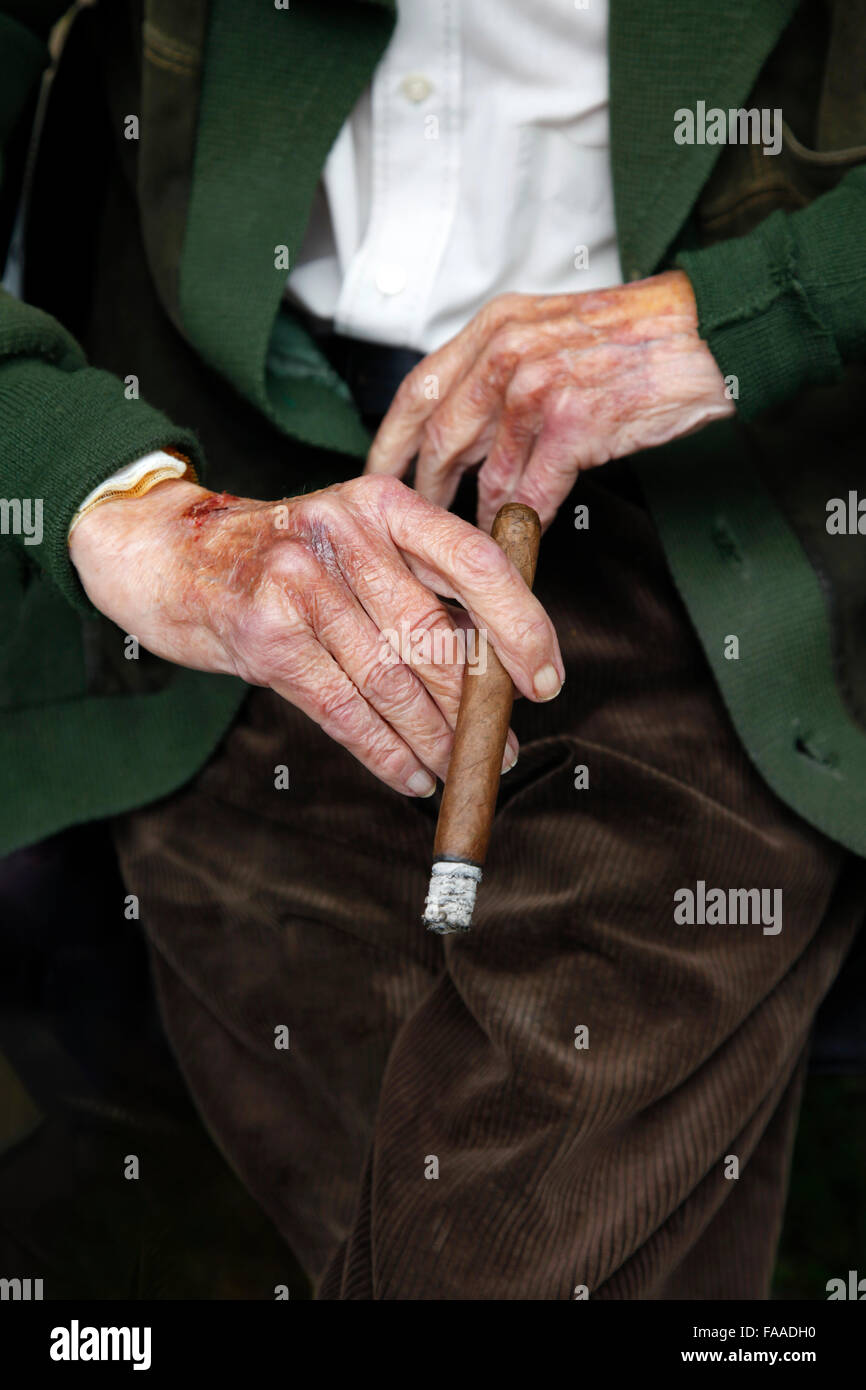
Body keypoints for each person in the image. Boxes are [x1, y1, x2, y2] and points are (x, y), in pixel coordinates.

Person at [1, 0, 865, 1298]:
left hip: (704, 513)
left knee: (502, 1225)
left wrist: (750, 312)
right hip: (251, 497)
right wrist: (102, 488)